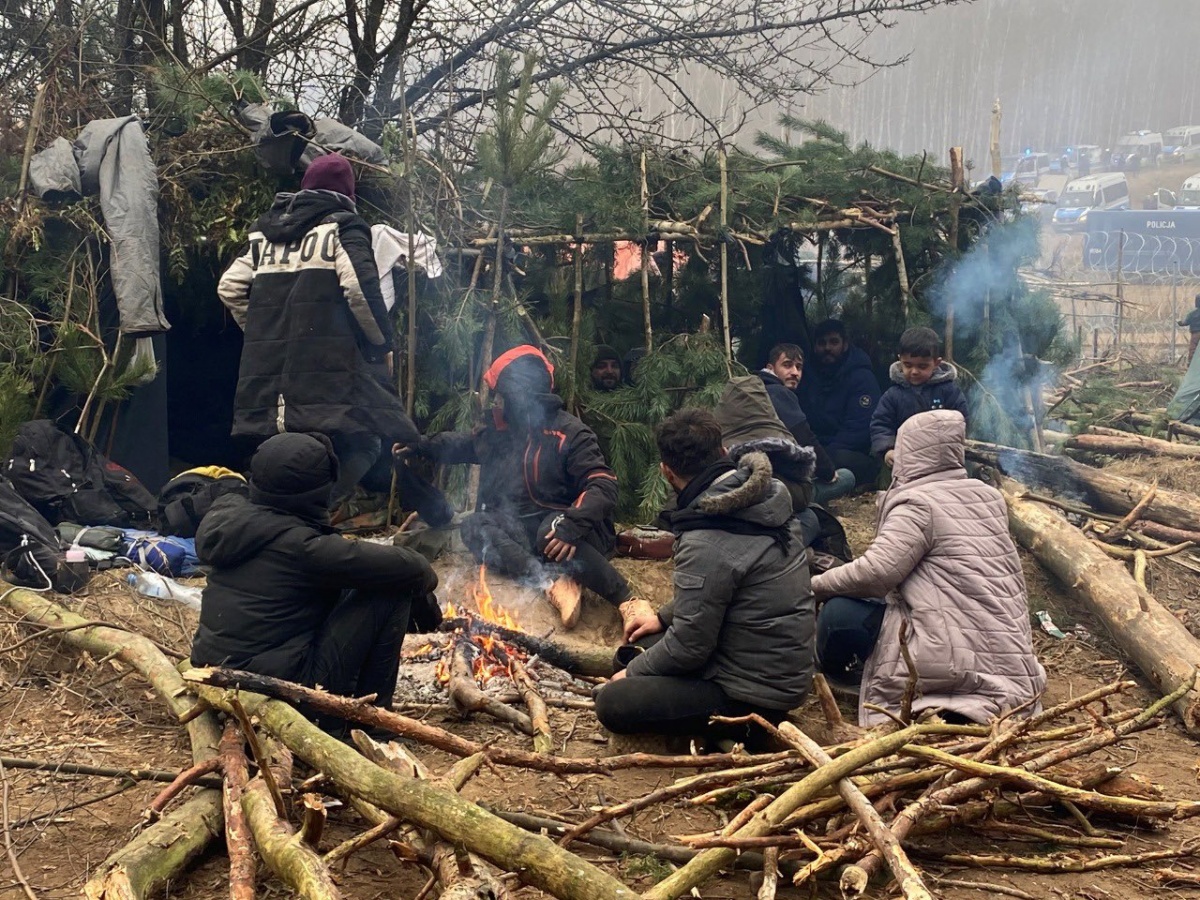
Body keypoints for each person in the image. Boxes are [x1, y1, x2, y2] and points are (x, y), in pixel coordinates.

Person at [190, 433, 438, 735]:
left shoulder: (230, 516)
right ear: (317, 493)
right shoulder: (304, 548)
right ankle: (371, 729)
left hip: (214, 674)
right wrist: (429, 615)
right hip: (279, 691)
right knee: (390, 591)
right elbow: (416, 568)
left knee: (359, 579)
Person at [594, 408, 814, 748]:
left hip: (755, 697)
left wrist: (631, 675)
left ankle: (737, 733)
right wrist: (662, 617)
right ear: (723, 452)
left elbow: (689, 649)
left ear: (666, 472)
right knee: (641, 647)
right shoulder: (766, 497)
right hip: (778, 670)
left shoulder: (705, 536)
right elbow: (723, 587)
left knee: (614, 700)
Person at [811, 410, 1046, 726]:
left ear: (909, 449)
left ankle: (847, 679)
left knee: (837, 614)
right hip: (1008, 651)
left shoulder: (919, 503)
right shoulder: (987, 496)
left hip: (950, 653)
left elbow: (876, 573)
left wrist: (816, 585)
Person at [217, 153, 420, 508]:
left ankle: (271, 521)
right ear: (347, 196)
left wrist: (265, 332)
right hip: (327, 375)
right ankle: (311, 517)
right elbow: (359, 289)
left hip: (274, 381)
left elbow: (229, 287)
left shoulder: (263, 232)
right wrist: (380, 345)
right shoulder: (342, 227)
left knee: (284, 454)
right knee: (366, 443)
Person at [410, 345, 642, 629]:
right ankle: (551, 582)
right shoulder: (501, 433)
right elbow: (460, 445)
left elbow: (602, 484)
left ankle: (628, 601)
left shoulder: (570, 433)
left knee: (549, 531)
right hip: (527, 532)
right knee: (474, 526)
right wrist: (419, 445)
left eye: (500, 396)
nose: (496, 403)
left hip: (577, 532)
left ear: (518, 396)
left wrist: (573, 522)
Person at [759, 342, 856, 504]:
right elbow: (804, 438)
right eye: (787, 365)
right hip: (778, 487)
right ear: (770, 368)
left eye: (799, 367)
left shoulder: (755, 389)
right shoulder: (778, 392)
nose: (795, 373)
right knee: (847, 477)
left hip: (758, 476)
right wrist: (829, 472)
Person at [796, 320, 882, 487]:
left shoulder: (862, 377)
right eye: (822, 343)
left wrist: (823, 457)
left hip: (848, 451)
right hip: (813, 448)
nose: (827, 348)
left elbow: (860, 429)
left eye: (834, 342)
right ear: (814, 346)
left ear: (845, 345)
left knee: (842, 459)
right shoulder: (805, 376)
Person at [870, 327, 969, 468]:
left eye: (922, 366)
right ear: (900, 360)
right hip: (906, 462)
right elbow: (881, 424)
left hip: (943, 460)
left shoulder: (948, 391)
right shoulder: (893, 395)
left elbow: (962, 420)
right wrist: (887, 450)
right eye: (908, 365)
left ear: (936, 363)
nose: (914, 371)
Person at [1179, 295, 1200, 364]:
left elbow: (1185, 323)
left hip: (1195, 333)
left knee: (1193, 348)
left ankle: (1191, 363)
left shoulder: (1192, 313)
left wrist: (1179, 322)